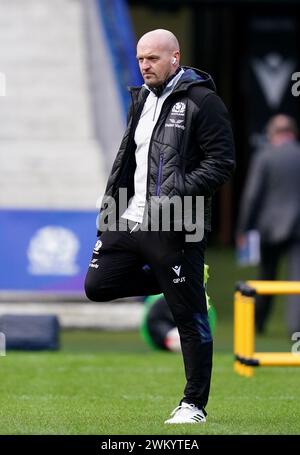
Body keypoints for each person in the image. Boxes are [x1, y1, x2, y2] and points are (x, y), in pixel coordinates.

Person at [85, 29, 235, 424]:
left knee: (189, 319)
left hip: (176, 223)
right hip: (129, 217)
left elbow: (222, 163)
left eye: (152, 58)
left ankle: (193, 405)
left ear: (175, 57)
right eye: (140, 59)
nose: (145, 66)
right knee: (97, 286)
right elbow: (128, 163)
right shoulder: (140, 100)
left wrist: (174, 193)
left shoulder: (204, 101)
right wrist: (110, 212)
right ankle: (183, 279)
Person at [237, 114, 300, 336]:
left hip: (269, 227)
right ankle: (296, 327)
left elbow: (252, 197)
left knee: (265, 276)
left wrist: (243, 229)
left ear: (273, 134)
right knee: (297, 279)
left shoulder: (264, 156)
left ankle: (258, 322)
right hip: (298, 227)